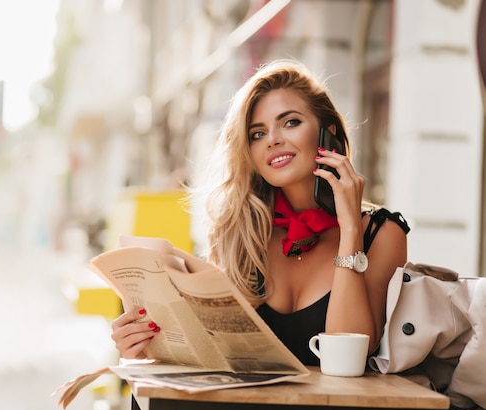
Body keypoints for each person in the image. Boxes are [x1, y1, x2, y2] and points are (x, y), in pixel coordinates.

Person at [111, 59, 410, 366]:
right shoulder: (242, 232)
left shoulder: (381, 234)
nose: (273, 140)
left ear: (328, 133)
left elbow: (348, 359)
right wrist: (145, 346)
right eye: (257, 134)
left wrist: (350, 229)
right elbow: (217, 354)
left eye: (290, 122)